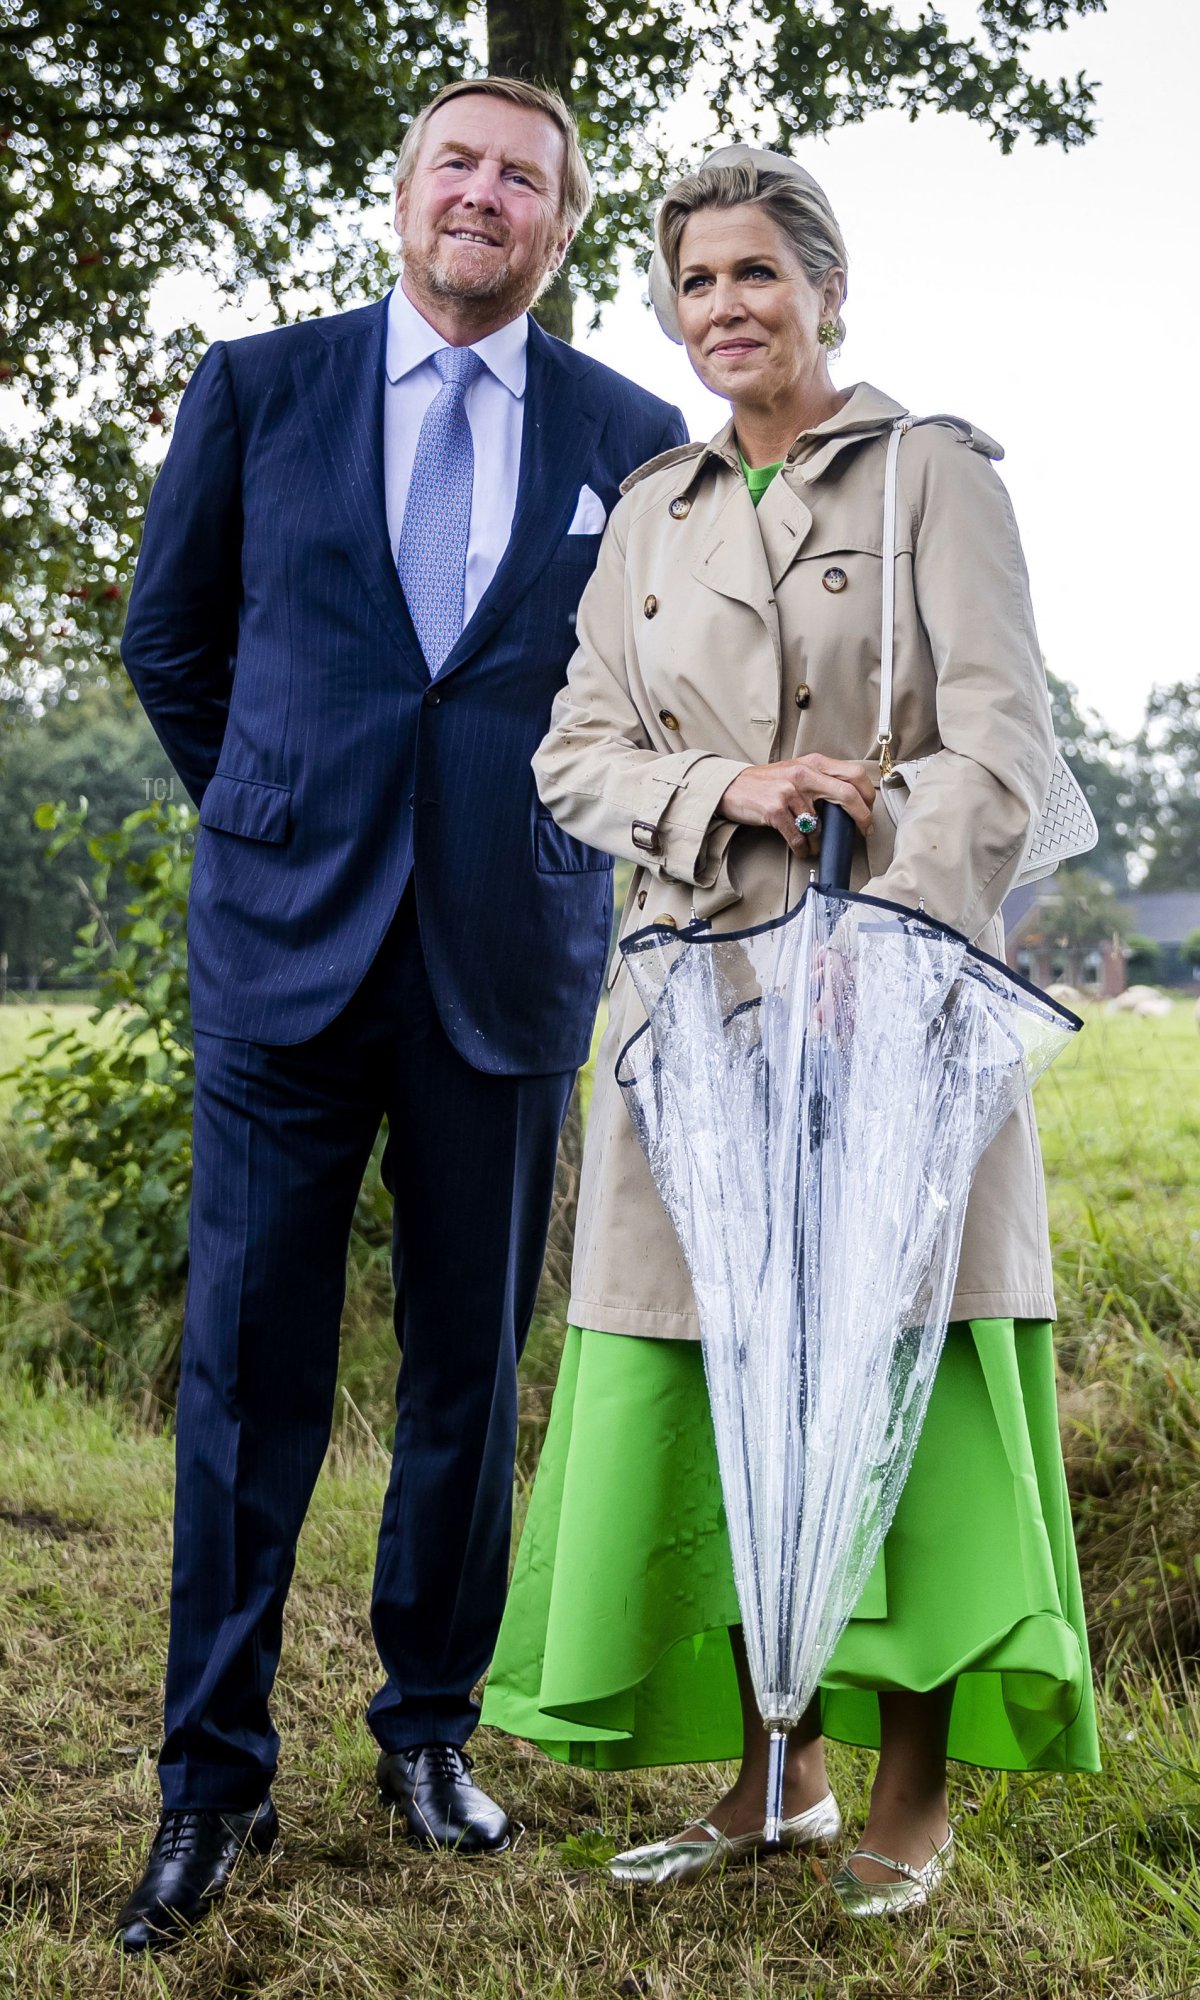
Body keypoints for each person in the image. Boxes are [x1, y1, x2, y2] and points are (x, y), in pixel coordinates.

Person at [481, 144, 1099, 1915]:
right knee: (725, 1381)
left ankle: (912, 1793)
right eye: (694, 284)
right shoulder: (652, 508)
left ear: (828, 290)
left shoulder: (934, 476)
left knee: (894, 1379)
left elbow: (1003, 747)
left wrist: (888, 935)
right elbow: (573, 752)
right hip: (695, 1013)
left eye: (758, 275)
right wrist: (728, 786)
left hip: (894, 1013)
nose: (725, 309)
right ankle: (776, 1779)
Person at [114, 77, 686, 1953]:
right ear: (402, 193)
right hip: (287, 954)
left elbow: (653, 702)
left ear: (558, 228)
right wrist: (273, 808)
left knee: (465, 1377)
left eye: (526, 177)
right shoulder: (257, 388)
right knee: (247, 1382)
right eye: (459, 161)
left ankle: (426, 1732)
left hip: (503, 969)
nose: (487, 195)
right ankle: (212, 1782)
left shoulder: (632, 434)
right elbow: (169, 640)